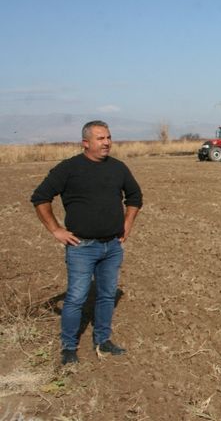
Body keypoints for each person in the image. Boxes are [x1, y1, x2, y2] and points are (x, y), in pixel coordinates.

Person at [30, 121, 142, 366]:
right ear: (85, 143)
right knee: (76, 298)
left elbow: (135, 197)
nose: (107, 143)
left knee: (105, 296)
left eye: (109, 137)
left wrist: (127, 225)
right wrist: (56, 230)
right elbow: (40, 198)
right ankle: (69, 347)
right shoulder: (69, 169)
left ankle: (103, 341)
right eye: (100, 138)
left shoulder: (118, 168)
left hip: (112, 246)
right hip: (82, 247)